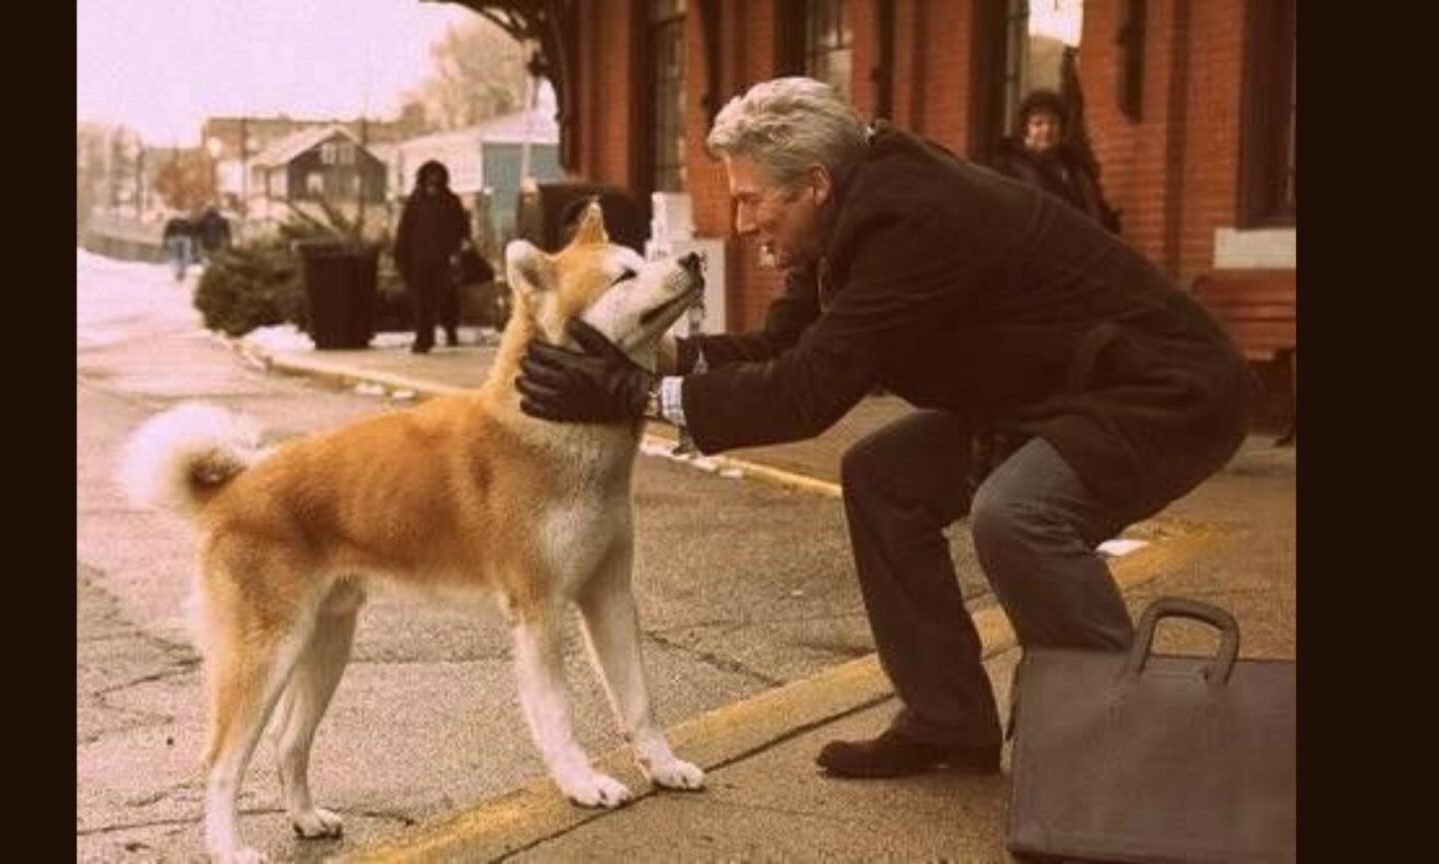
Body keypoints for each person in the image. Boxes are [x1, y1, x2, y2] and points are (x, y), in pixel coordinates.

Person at [515, 77, 1253, 780]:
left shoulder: (911, 222)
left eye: (750, 202)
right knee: (884, 478)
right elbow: (784, 348)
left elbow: (807, 394)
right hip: (1049, 393)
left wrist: (629, 394)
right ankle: (948, 720)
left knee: (1018, 515)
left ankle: (1124, 741)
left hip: (1161, 389)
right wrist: (652, 355)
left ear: (813, 185)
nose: (742, 227)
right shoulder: (844, 213)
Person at [992, 88, 1120, 235]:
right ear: (1025, 130)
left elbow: (1099, 212)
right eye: (1038, 124)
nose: (1046, 130)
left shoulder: (1077, 169)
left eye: (1053, 123)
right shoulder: (1009, 170)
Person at [393, 160, 471, 352]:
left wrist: (457, 251)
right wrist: (401, 255)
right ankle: (424, 338)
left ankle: (450, 329)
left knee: (446, 298)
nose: (433, 179)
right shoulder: (416, 201)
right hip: (420, 260)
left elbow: (462, 227)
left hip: (444, 259)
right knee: (422, 301)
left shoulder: (451, 201)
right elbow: (405, 230)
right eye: (430, 175)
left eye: (437, 175)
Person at [161, 214, 197, 282]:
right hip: (183, 238)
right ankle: (181, 272)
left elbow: (167, 232)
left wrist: (165, 241)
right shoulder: (188, 222)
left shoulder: (174, 221)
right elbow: (193, 234)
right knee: (183, 257)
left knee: (177, 257)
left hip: (177, 238)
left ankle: (179, 272)